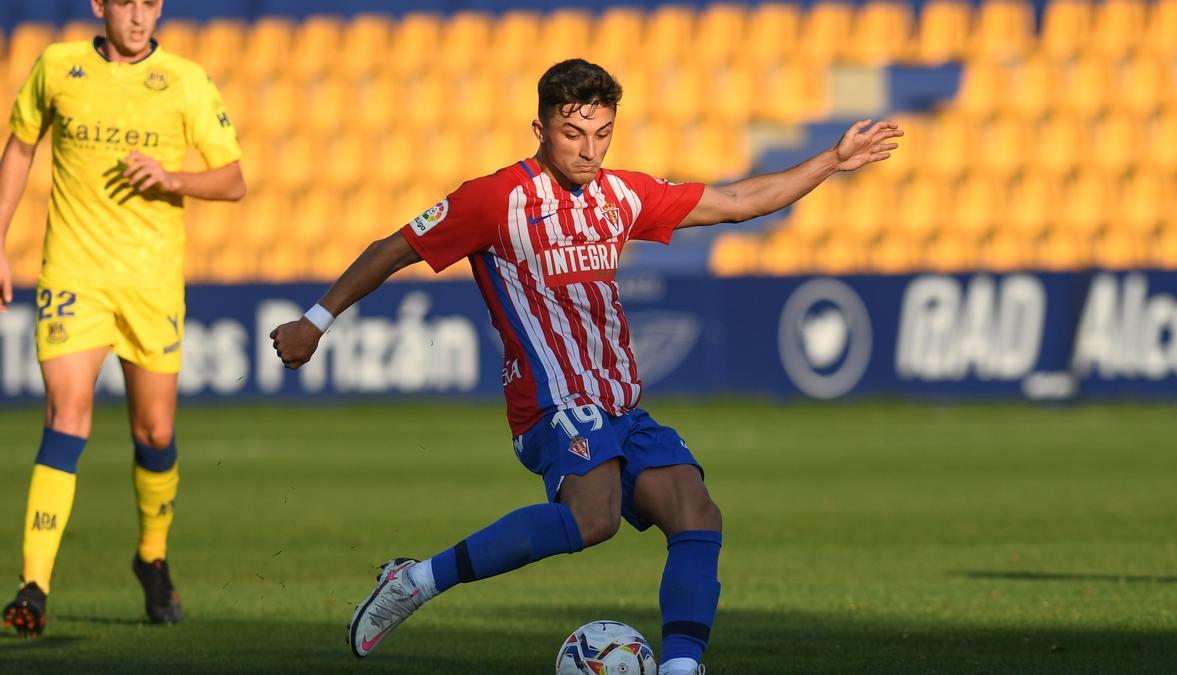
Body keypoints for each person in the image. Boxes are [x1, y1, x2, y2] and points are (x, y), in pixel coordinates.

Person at [270, 59, 900, 673]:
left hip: (621, 403)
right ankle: (417, 581)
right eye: (573, 133)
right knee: (593, 518)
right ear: (540, 130)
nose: (589, 149)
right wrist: (316, 321)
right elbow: (394, 248)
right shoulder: (495, 200)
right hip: (552, 403)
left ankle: (681, 667)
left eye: (602, 134)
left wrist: (832, 162)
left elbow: (737, 200)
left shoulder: (621, 194)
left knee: (696, 513)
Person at [0, 0, 245, 638]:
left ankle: (152, 558)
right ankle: (34, 584)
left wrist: (173, 178)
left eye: (150, 4)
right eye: (126, 3)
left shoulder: (186, 80)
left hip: (151, 285)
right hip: (73, 277)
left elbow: (235, 179)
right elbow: (20, 148)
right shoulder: (57, 67)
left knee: (156, 431)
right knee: (66, 413)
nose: (139, 16)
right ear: (99, 5)